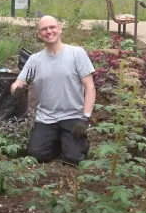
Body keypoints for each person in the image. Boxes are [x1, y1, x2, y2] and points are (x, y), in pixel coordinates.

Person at [10, 15, 95, 166]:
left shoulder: (77, 54)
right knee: (35, 155)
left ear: (60, 28)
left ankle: (73, 143)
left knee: (73, 159)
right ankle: (58, 140)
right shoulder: (34, 60)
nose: (49, 31)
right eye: (44, 29)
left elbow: (90, 86)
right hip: (46, 117)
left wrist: (86, 117)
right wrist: (17, 89)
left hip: (73, 116)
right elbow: (18, 82)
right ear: (39, 34)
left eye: (52, 27)